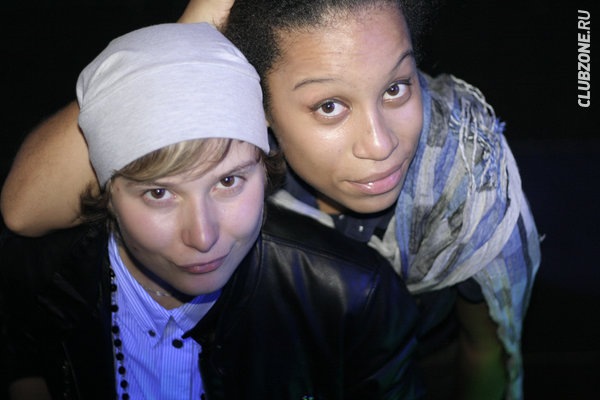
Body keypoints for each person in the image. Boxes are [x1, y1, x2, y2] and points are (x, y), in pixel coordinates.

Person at [0, 0, 542, 399]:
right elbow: (24, 212)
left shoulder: (467, 176)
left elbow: (490, 352)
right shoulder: (229, 151)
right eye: (329, 106)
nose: (381, 145)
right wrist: (202, 27)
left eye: (396, 87)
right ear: (257, 107)